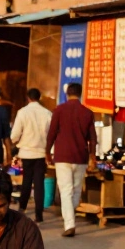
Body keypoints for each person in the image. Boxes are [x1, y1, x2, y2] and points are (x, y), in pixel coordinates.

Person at [46, 82, 97, 238]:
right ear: (80, 94)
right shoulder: (87, 113)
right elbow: (93, 138)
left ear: (67, 94)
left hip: (62, 156)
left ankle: (69, 223)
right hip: (80, 157)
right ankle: (70, 217)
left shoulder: (59, 110)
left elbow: (52, 133)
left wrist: (47, 152)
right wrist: (92, 157)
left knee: (66, 191)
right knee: (75, 190)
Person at [10, 87, 52, 223]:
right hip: (41, 152)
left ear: (28, 98)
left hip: (27, 152)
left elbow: (15, 134)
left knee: (27, 181)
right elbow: (51, 135)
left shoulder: (22, 112)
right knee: (39, 183)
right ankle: (39, 214)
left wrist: (13, 142)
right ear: (39, 98)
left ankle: (22, 208)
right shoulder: (47, 113)